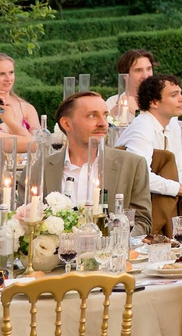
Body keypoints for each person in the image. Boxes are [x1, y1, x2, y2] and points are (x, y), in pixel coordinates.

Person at [31, 92, 154, 236]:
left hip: (110, 254)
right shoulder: (41, 169)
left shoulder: (132, 165)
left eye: (105, 115)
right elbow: (26, 221)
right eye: (92, 116)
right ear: (66, 124)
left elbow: (142, 222)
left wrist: (111, 240)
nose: (103, 123)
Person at [113, 73, 182, 217]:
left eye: (181, 93)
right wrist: (181, 189)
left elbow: (178, 171)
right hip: (139, 202)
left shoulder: (173, 124)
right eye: (174, 95)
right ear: (154, 102)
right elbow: (141, 177)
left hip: (165, 197)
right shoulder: (142, 127)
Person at [0, 52, 43, 140]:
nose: (8, 79)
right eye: (1, 74)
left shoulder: (26, 108)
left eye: (11, 73)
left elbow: (39, 142)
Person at [107, 50, 155, 132]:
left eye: (149, 69)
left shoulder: (161, 102)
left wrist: (136, 112)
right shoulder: (112, 102)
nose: (146, 75)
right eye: (138, 70)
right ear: (125, 76)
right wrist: (113, 114)